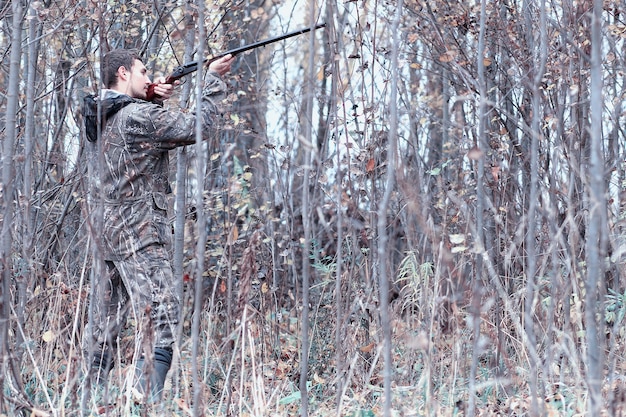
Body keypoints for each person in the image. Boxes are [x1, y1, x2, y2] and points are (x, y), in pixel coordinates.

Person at [82, 49, 234, 403]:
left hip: (106, 234)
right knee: (164, 311)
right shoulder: (136, 117)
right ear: (123, 72)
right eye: (143, 71)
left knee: (105, 323)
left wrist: (149, 97)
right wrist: (211, 79)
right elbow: (198, 127)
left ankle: (86, 401)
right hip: (137, 232)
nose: (150, 76)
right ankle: (144, 398)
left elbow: (136, 147)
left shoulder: (97, 113)